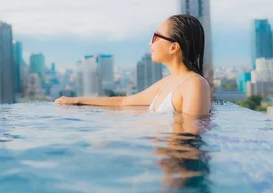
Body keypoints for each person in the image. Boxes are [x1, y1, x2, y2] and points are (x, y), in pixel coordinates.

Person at [55, 14, 211, 117]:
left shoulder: (194, 85)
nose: (150, 43)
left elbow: (191, 140)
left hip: (173, 164)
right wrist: (76, 100)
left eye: (156, 37)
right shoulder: (168, 83)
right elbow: (124, 102)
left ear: (173, 47)